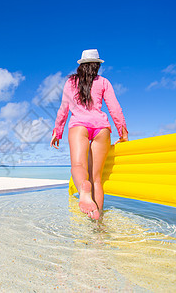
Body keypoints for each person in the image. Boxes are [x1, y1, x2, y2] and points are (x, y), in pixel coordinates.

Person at [50, 49, 128, 220]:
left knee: (78, 167)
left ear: (81, 65)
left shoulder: (71, 82)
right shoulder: (104, 82)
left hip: (79, 126)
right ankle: (98, 222)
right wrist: (123, 133)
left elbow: (64, 109)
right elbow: (115, 108)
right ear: (97, 66)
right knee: (97, 179)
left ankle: (83, 191)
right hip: (101, 127)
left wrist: (58, 131)